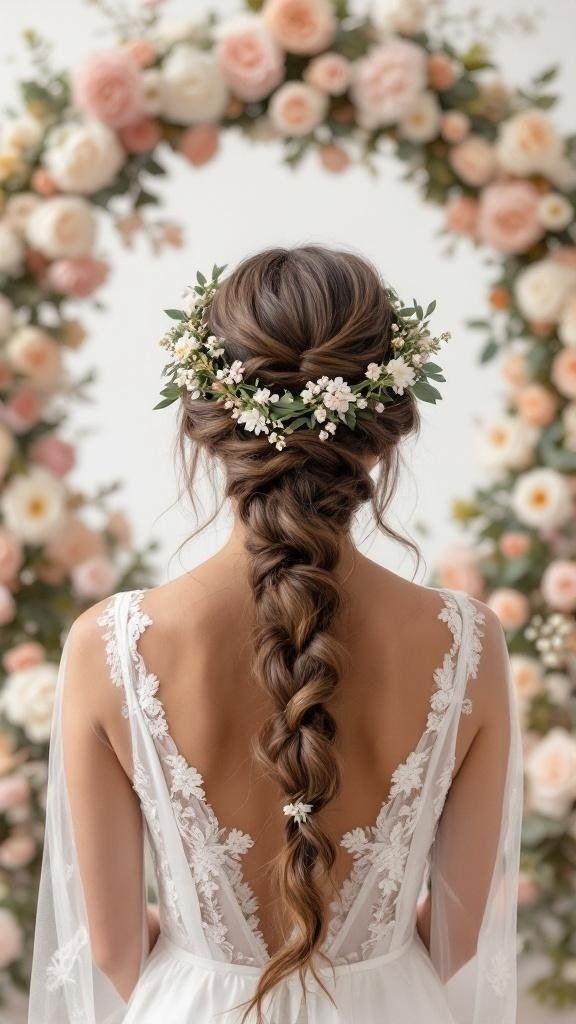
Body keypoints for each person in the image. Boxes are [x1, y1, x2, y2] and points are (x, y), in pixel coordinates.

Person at [28, 246, 523, 1024]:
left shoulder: (108, 647)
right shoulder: (467, 644)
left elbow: (113, 947)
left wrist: (208, 969)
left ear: (203, 423)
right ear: (386, 432)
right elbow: (462, 941)